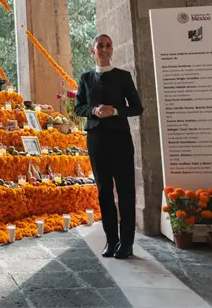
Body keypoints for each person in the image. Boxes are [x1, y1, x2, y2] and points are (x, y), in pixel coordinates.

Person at [75, 34, 143, 259]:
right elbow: (79, 107)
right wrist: (94, 110)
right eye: (100, 46)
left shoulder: (123, 76)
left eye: (108, 46)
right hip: (96, 139)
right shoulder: (85, 78)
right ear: (91, 50)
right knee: (104, 190)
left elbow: (136, 107)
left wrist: (114, 110)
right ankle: (111, 240)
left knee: (125, 190)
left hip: (120, 138)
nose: (104, 49)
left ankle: (127, 243)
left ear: (112, 49)